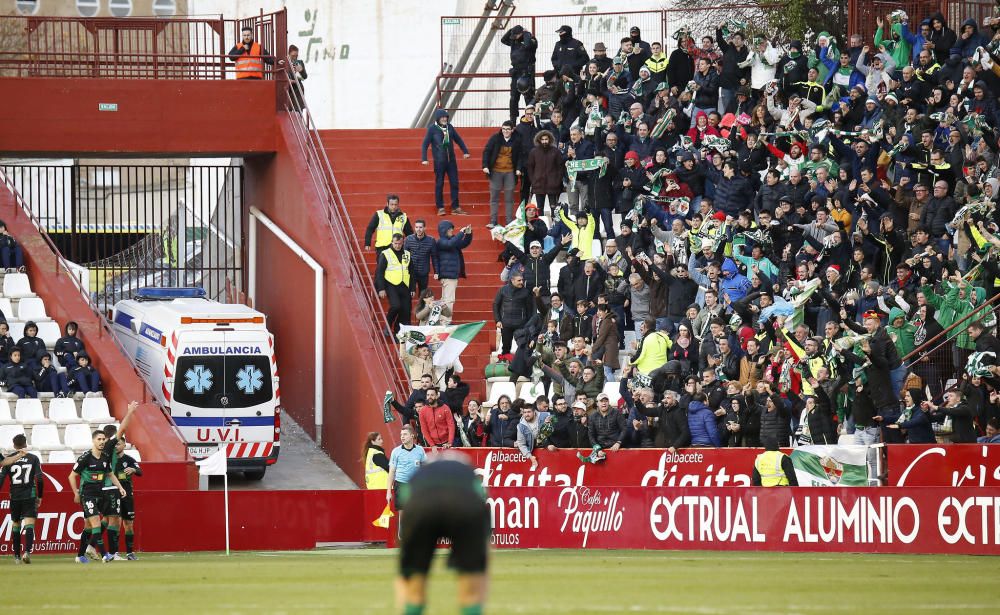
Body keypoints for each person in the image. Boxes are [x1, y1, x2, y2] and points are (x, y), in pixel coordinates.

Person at [395, 454, 490, 615]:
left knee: (413, 586)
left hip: (421, 505)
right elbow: (481, 501)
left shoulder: (418, 474)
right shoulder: (468, 471)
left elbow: (406, 501)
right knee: (471, 589)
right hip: (465, 505)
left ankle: (412, 606)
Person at [68, 401, 136, 563]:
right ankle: (108, 553)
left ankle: (87, 552)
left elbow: (122, 429)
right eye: (99, 439)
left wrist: (130, 412)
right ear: (94, 440)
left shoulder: (107, 450)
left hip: (106, 488)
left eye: (104, 439)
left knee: (102, 521)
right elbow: (72, 475)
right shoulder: (89, 456)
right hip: (102, 489)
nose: (103, 442)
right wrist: (77, 492)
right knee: (110, 520)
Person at [0, 434, 43, 564]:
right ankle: (27, 552)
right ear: (25, 444)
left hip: (15, 496)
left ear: (14, 445)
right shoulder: (33, 458)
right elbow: (40, 479)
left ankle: (17, 557)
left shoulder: (9, 459)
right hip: (29, 495)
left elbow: (1, 479)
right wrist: (40, 496)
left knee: (16, 524)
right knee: (29, 524)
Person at [421, 109, 471, 216]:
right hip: (439, 162)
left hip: (451, 161)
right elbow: (425, 144)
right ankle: (440, 207)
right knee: (439, 184)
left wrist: (465, 151)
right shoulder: (432, 129)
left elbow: (458, 139)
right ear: (438, 118)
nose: (444, 119)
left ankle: (455, 207)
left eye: (446, 117)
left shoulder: (450, 127)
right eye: (442, 117)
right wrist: (424, 158)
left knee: (454, 183)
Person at [482, 121, 524, 228]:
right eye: (503, 129)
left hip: (510, 172)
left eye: (508, 129)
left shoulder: (517, 140)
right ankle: (493, 221)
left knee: (509, 198)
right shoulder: (495, 138)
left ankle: (509, 221)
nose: (505, 131)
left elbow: (520, 155)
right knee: (494, 197)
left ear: (512, 130)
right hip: (496, 171)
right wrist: (485, 166)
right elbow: (487, 151)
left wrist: (518, 168)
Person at [386, 425, 428, 532]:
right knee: (403, 510)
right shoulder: (396, 451)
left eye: (405, 434)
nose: (402, 437)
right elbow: (391, 472)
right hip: (401, 483)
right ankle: (403, 533)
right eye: (401, 435)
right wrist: (388, 492)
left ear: (412, 436)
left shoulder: (420, 450)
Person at [375, 233, 416, 335]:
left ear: (403, 243)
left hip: (404, 285)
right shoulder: (386, 253)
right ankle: (387, 326)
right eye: (395, 243)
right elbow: (379, 272)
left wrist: (412, 288)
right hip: (390, 284)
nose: (397, 245)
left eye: (400, 243)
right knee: (396, 306)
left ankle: (399, 331)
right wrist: (381, 289)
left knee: (406, 310)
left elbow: (412, 272)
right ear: (392, 242)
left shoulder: (407, 254)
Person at [433, 221, 473, 319]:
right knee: (449, 300)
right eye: (450, 228)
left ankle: (443, 320)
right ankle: (446, 321)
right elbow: (451, 244)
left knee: (445, 299)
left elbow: (463, 243)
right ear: (444, 230)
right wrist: (461, 233)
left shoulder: (451, 240)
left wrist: (468, 234)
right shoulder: (441, 241)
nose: (452, 230)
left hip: (450, 275)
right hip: (448, 276)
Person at [110, 436, 141, 560]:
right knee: (115, 522)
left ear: (124, 446)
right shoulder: (109, 460)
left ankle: (129, 553)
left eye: (119, 444)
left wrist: (133, 469)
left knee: (128, 523)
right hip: (113, 494)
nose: (116, 446)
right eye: (115, 444)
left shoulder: (129, 460)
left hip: (127, 495)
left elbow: (140, 472)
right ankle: (115, 553)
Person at [500, 25, 537, 123]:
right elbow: (503, 40)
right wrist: (511, 30)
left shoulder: (530, 40)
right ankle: (513, 121)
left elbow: (528, 45)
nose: (514, 38)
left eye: (516, 35)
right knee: (513, 98)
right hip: (516, 73)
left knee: (528, 98)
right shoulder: (514, 41)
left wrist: (526, 33)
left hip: (526, 74)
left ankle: (531, 120)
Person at [493, 273, 535, 355]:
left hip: (521, 324)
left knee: (523, 346)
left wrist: (529, 324)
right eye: (519, 280)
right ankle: (504, 360)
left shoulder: (526, 292)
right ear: (512, 280)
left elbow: (530, 309)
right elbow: (496, 305)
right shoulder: (503, 290)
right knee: (506, 347)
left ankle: (523, 363)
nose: (521, 282)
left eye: (522, 280)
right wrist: (498, 320)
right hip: (506, 324)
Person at [403, 220, 436, 295]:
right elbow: (404, 256)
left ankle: (422, 306)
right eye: (417, 227)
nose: (418, 229)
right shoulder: (408, 239)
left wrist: (436, 271)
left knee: (423, 295)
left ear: (424, 228)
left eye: (420, 227)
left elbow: (434, 257)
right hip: (411, 272)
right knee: (409, 294)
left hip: (424, 272)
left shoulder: (431, 240)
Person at [285, 44, 308, 111]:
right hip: (289, 90)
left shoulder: (299, 62)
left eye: (296, 56)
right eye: (293, 56)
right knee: (290, 111)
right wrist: (288, 80)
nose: (295, 58)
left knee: (298, 111)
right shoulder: (285, 62)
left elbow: (305, 76)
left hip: (298, 90)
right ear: (288, 54)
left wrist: (301, 70)